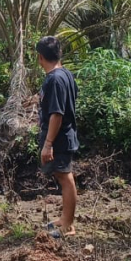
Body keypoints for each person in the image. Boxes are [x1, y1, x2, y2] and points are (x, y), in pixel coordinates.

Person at [36, 36, 79, 238]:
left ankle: (68, 225)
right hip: (63, 135)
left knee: (65, 177)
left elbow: (57, 113)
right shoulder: (65, 74)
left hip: (59, 137)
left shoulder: (54, 79)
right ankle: (64, 219)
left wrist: (48, 144)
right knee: (63, 176)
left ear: (40, 57)